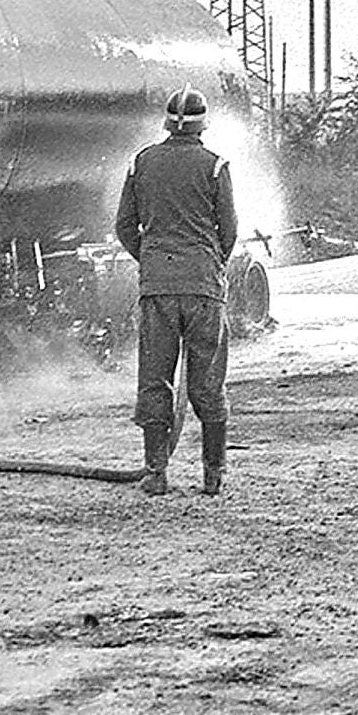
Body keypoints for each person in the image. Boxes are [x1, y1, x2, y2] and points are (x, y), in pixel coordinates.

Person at [116, 86, 239, 497]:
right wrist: (208, 265)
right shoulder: (216, 166)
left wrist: (151, 261)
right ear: (204, 123)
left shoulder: (141, 163)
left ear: (166, 122)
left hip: (158, 289)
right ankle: (213, 475)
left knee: (155, 378)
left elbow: (124, 227)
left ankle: (155, 473)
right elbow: (230, 231)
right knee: (207, 381)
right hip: (204, 288)